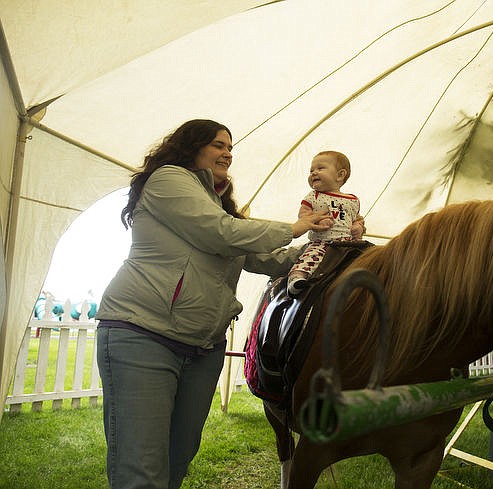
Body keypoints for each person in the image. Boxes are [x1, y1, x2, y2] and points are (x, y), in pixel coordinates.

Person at [95, 119, 330, 489]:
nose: (228, 153)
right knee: (140, 467)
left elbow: (260, 258)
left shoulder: (218, 204)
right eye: (219, 145)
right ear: (191, 145)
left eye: (230, 148)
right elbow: (220, 232)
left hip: (203, 349)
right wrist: (295, 226)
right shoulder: (168, 180)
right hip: (143, 334)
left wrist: (322, 247)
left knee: (177, 460)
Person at [286, 150, 365, 295]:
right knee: (310, 258)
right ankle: (296, 278)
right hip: (322, 243)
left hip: (347, 244)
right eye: (311, 170)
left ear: (340, 175)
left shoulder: (352, 200)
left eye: (320, 168)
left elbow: (358, 219)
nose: (314, 173)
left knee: (363, 259)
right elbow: (303, 216)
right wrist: (316, 220)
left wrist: (358, 227)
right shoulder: (313, 196)